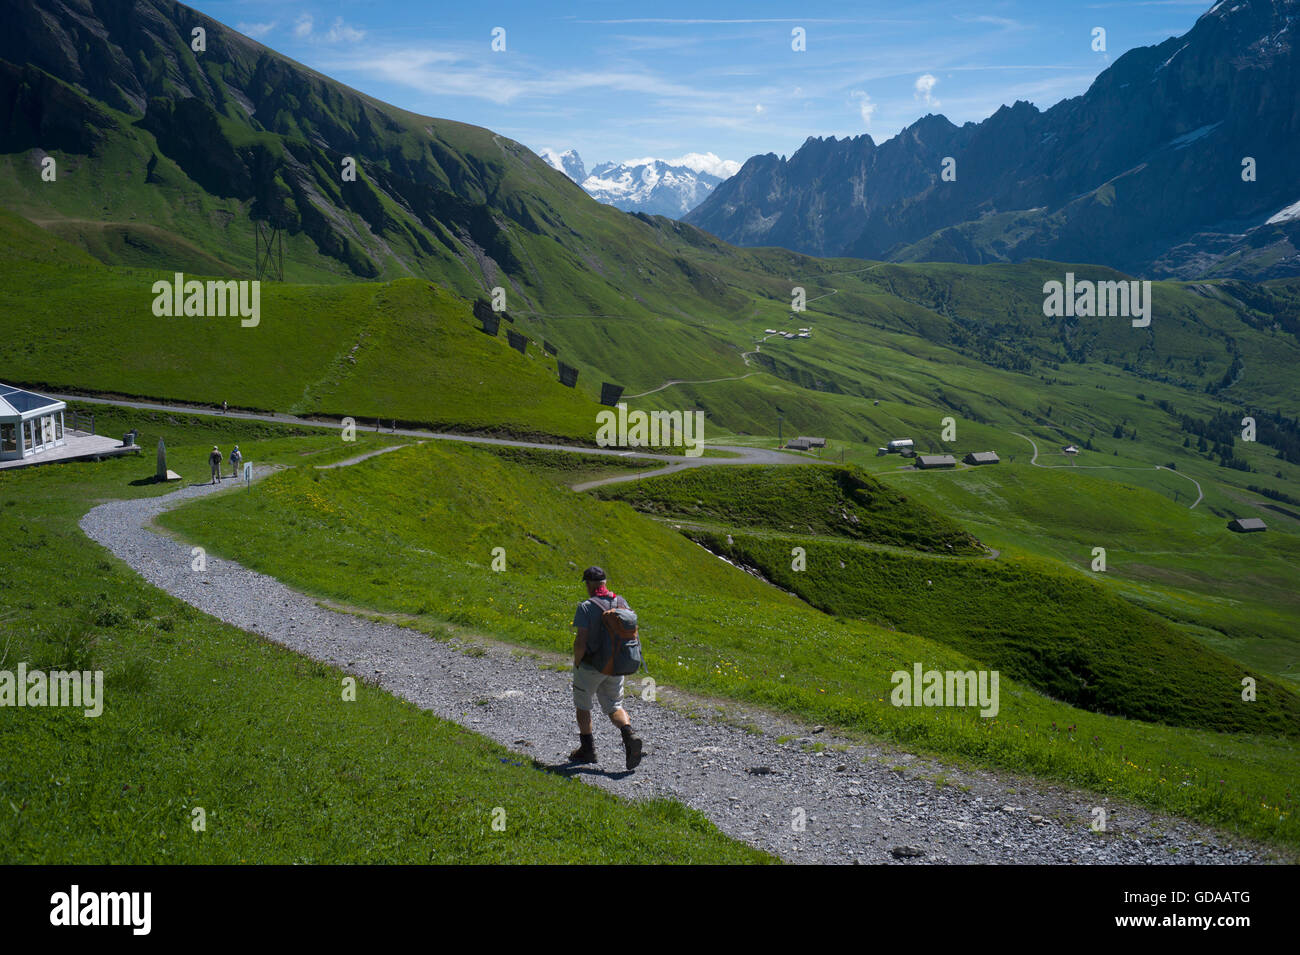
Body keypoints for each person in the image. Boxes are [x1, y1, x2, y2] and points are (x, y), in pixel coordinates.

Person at [569, 566, 643, 770]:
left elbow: (581, 641)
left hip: (591, 666)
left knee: (583, 705)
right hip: (616, 666)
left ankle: (588, 750)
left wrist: (577, 661)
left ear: (589, 584)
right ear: (605, 583)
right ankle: (629, 734)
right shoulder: (622, 602)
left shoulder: (586, 606)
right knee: (614, 706)